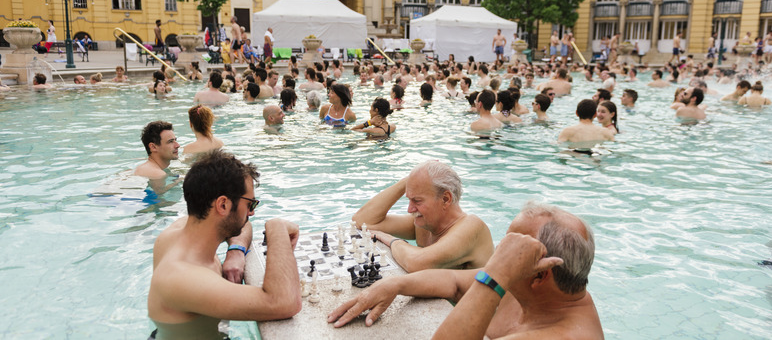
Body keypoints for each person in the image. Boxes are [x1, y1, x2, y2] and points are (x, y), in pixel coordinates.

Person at [329, 202, 603, 340]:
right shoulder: (526, 287)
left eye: (511, 250)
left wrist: (496, 276)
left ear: (541, 274)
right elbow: (451, 281)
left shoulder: (566, 335)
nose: (499, 254)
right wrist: (395, 285)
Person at [147, 150, 301, 339]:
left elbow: (242, 225)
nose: (251, 213)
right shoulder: (182, 277)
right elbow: (285, 302)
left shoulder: (183, 229)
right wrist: (277, 228)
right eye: (250, 204)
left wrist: (235, 250)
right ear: (223, 205)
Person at [351, 160, 494, 272]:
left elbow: (417, 263)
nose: (410, 209)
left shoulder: (471, 227)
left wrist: (391, 240)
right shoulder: (425, 224)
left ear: (445, 199)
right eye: (409, 199)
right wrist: (409, 180)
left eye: (417, 201)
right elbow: (363, 222)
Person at [134, 121, 181, 193]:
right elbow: (158, 201)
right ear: (153, 147)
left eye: (175, 140)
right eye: (170, 141)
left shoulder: (147, 168)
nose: (177, 145)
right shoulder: (158, 174)